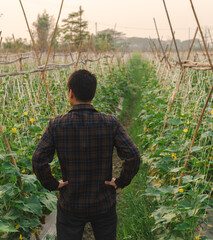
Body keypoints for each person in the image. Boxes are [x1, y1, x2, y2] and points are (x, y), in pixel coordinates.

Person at [32, 69, 140, 240]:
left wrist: (53, 184)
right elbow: (133, 154)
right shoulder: (110, 122)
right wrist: (120, 182)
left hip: (71, 202)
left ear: (71, 93)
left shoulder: (56, 125)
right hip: (103, 202)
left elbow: (38, 159)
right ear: (93, 94)